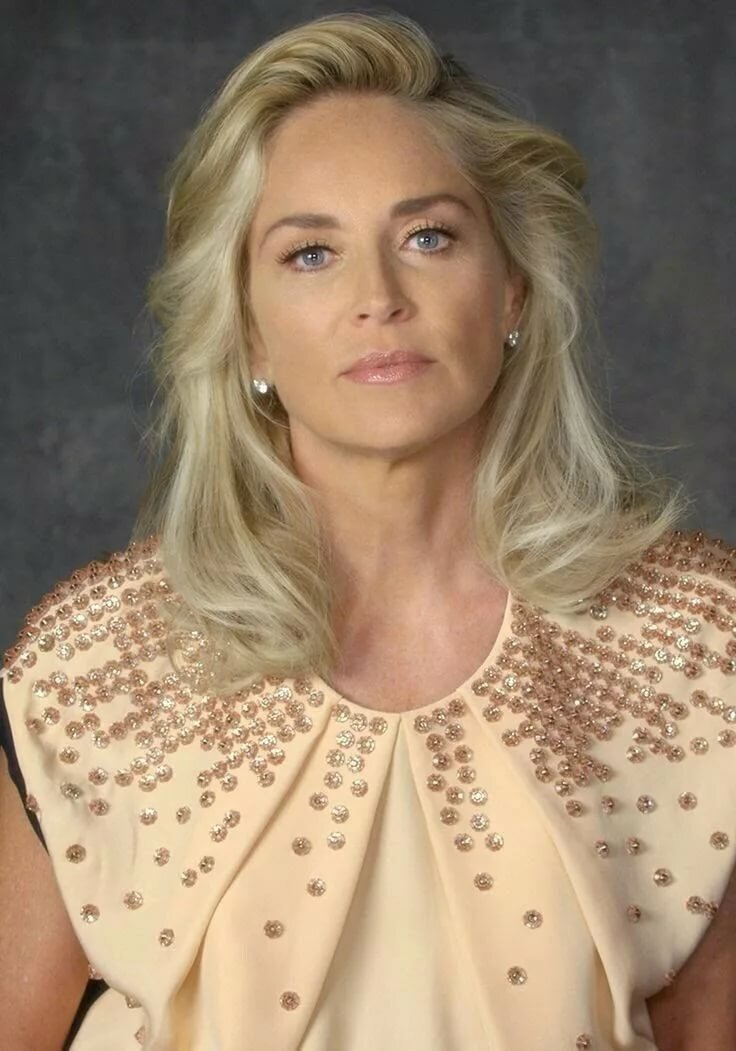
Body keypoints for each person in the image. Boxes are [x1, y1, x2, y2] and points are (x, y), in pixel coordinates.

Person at [2, 10, 735, 1050]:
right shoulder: (90, 670)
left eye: (428, 237)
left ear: (513, 289)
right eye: (310, 253)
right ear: (247, 331)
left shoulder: (697, 649)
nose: (377, 298)